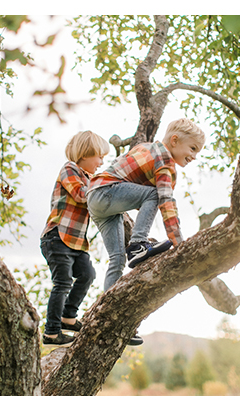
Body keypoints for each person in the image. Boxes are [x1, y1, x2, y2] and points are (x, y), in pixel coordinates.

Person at [88, 118, 206, 345]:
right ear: (174, 140)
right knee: (154, 194)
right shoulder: (164, 160)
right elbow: (165, 200)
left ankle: (109, 317)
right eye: (192, 149)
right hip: (106, 192)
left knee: (115, 259)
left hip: (97, 199)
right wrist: (178, 241)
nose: (194, 156)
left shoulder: (145, 148)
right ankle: (138, 245)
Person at [38, 131, 109, 346]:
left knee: (87, 274)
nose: (101, 162)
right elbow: (80, 194)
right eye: (99, 157)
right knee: (62, 282)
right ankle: (51, 332)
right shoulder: (69, 169)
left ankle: (68, 316)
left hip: (76, 242)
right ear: (85, 154)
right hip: (57, 236)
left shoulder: (90, 178)